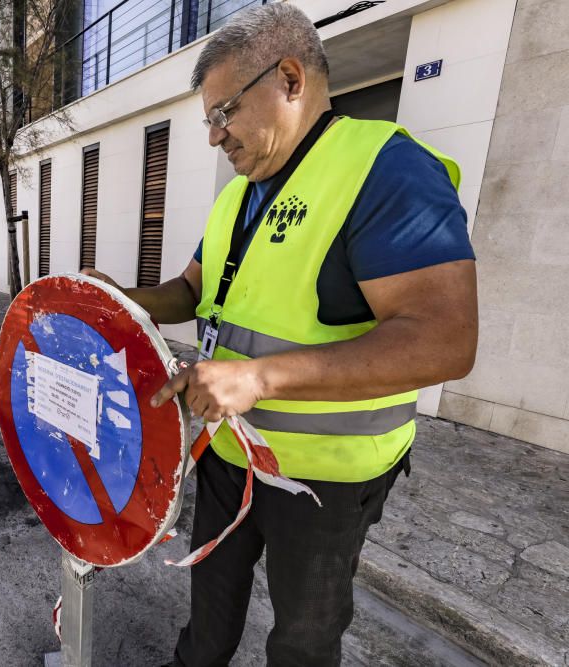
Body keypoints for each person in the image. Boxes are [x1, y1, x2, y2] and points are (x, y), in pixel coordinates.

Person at [83, 4, 478, 665]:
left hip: (324, 482)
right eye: (209, 120)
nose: (215, 137)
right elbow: (191, 290)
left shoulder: (387, 170)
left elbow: (446, 340)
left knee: (302, 640)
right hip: (226, 456)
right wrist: (121, 297)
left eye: (223, 112)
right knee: (208, 612)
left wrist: (259, 377)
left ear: (290, 79)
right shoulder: (239, 192)